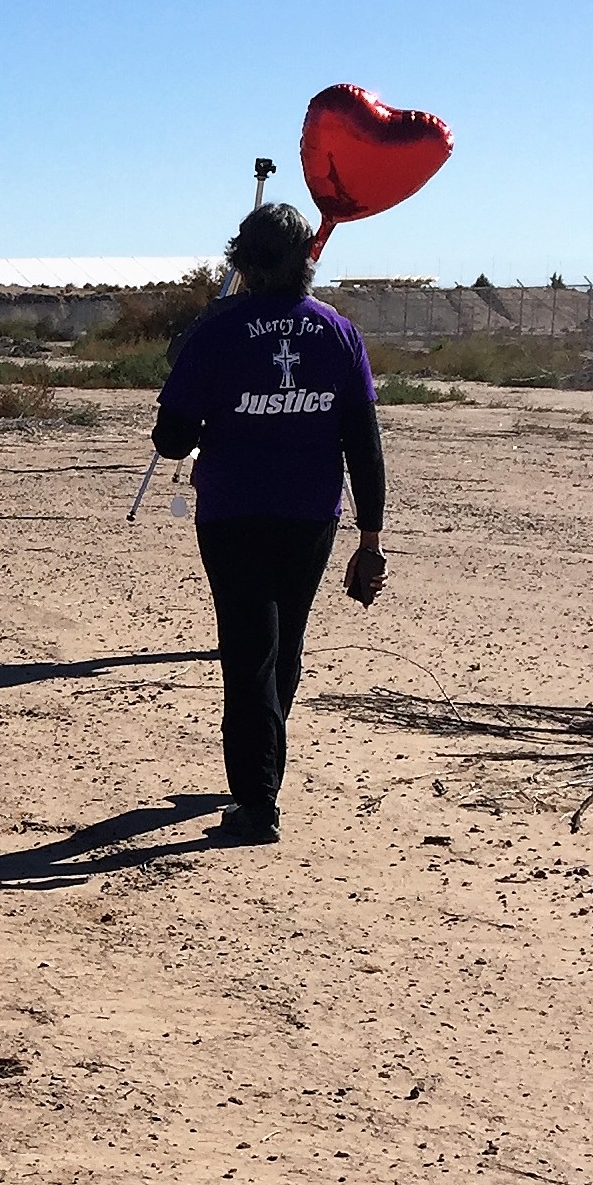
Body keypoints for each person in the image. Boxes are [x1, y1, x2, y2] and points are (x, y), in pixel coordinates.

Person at [150, 202, 388, 847]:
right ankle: (264, 765)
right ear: (308, 261)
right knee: (284, 644)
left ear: (242, 263)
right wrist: (371, 539)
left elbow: (171, 440)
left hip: (233, 512)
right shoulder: (339, 333)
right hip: (312, 515)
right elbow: (363, 442)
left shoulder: (217, 332)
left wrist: (208, 415)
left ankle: (256, 802)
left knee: (249, 649)